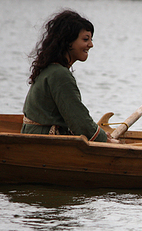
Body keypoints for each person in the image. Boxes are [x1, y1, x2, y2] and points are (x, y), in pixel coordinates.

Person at [22, 10, 115, 143]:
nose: (91, 44)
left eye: (91, 39)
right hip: (44, 142)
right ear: (67, 41)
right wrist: (104, 140)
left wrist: (100, 133)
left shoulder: (49, 69)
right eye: (85, 39)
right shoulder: (59, 74)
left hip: (34, 137)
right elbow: (79, 121)